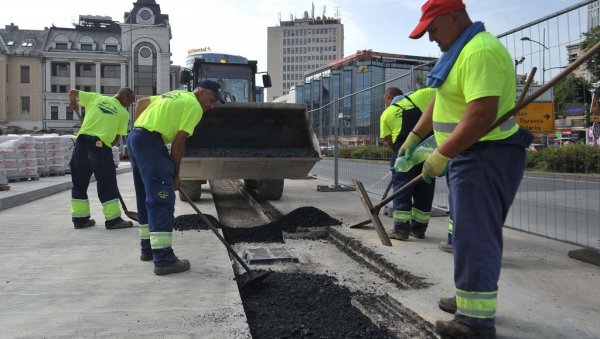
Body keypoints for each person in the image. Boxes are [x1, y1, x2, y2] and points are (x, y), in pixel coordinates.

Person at [405, 0, 532, 337]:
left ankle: (475, 324)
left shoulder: (479, 52)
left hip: (485, 155)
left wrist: (440, 154)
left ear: (454, 17)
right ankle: (469, 300)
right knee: (466, 233)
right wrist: (416, 136)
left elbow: (481, 114)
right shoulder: (459, 52)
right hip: (471, 155)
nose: (431, 38)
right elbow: (441, 98)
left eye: (433, 29)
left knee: (475, 236)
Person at [127, 80, 224, 276]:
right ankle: (163, 259)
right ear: (201, 91)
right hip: (150, 143)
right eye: (212, 100)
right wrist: (176, 174)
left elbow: (142, 103)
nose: (211, 106)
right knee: (162, 199)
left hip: (136, 139)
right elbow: (179, 143)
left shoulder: (174, 95)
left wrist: (141, 127)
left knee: (146, 196)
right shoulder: (194, 106)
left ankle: (147, 249)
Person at [68, 88, 135, 230]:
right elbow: (116, 138)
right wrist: (105, 149)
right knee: (107, 183)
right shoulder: (123, 113)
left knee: (79, 182)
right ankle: (113, 220)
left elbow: (72, 92)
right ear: (125, 95)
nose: (129, 105)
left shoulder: (96, 98)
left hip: (81, 143)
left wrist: (73, 102)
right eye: (130, 101)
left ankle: (80, 220)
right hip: (100, 146)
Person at [380, 87, 436, 240]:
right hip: (426, 153)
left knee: (402, 190)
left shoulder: (387, 113)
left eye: (385, 101)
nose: (386, 104)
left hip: (403, 155)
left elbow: (389, 141)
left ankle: (401, 229)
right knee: (425, 190)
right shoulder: (421, 96)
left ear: (389, 99)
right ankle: (419, 229)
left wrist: (399, 153)